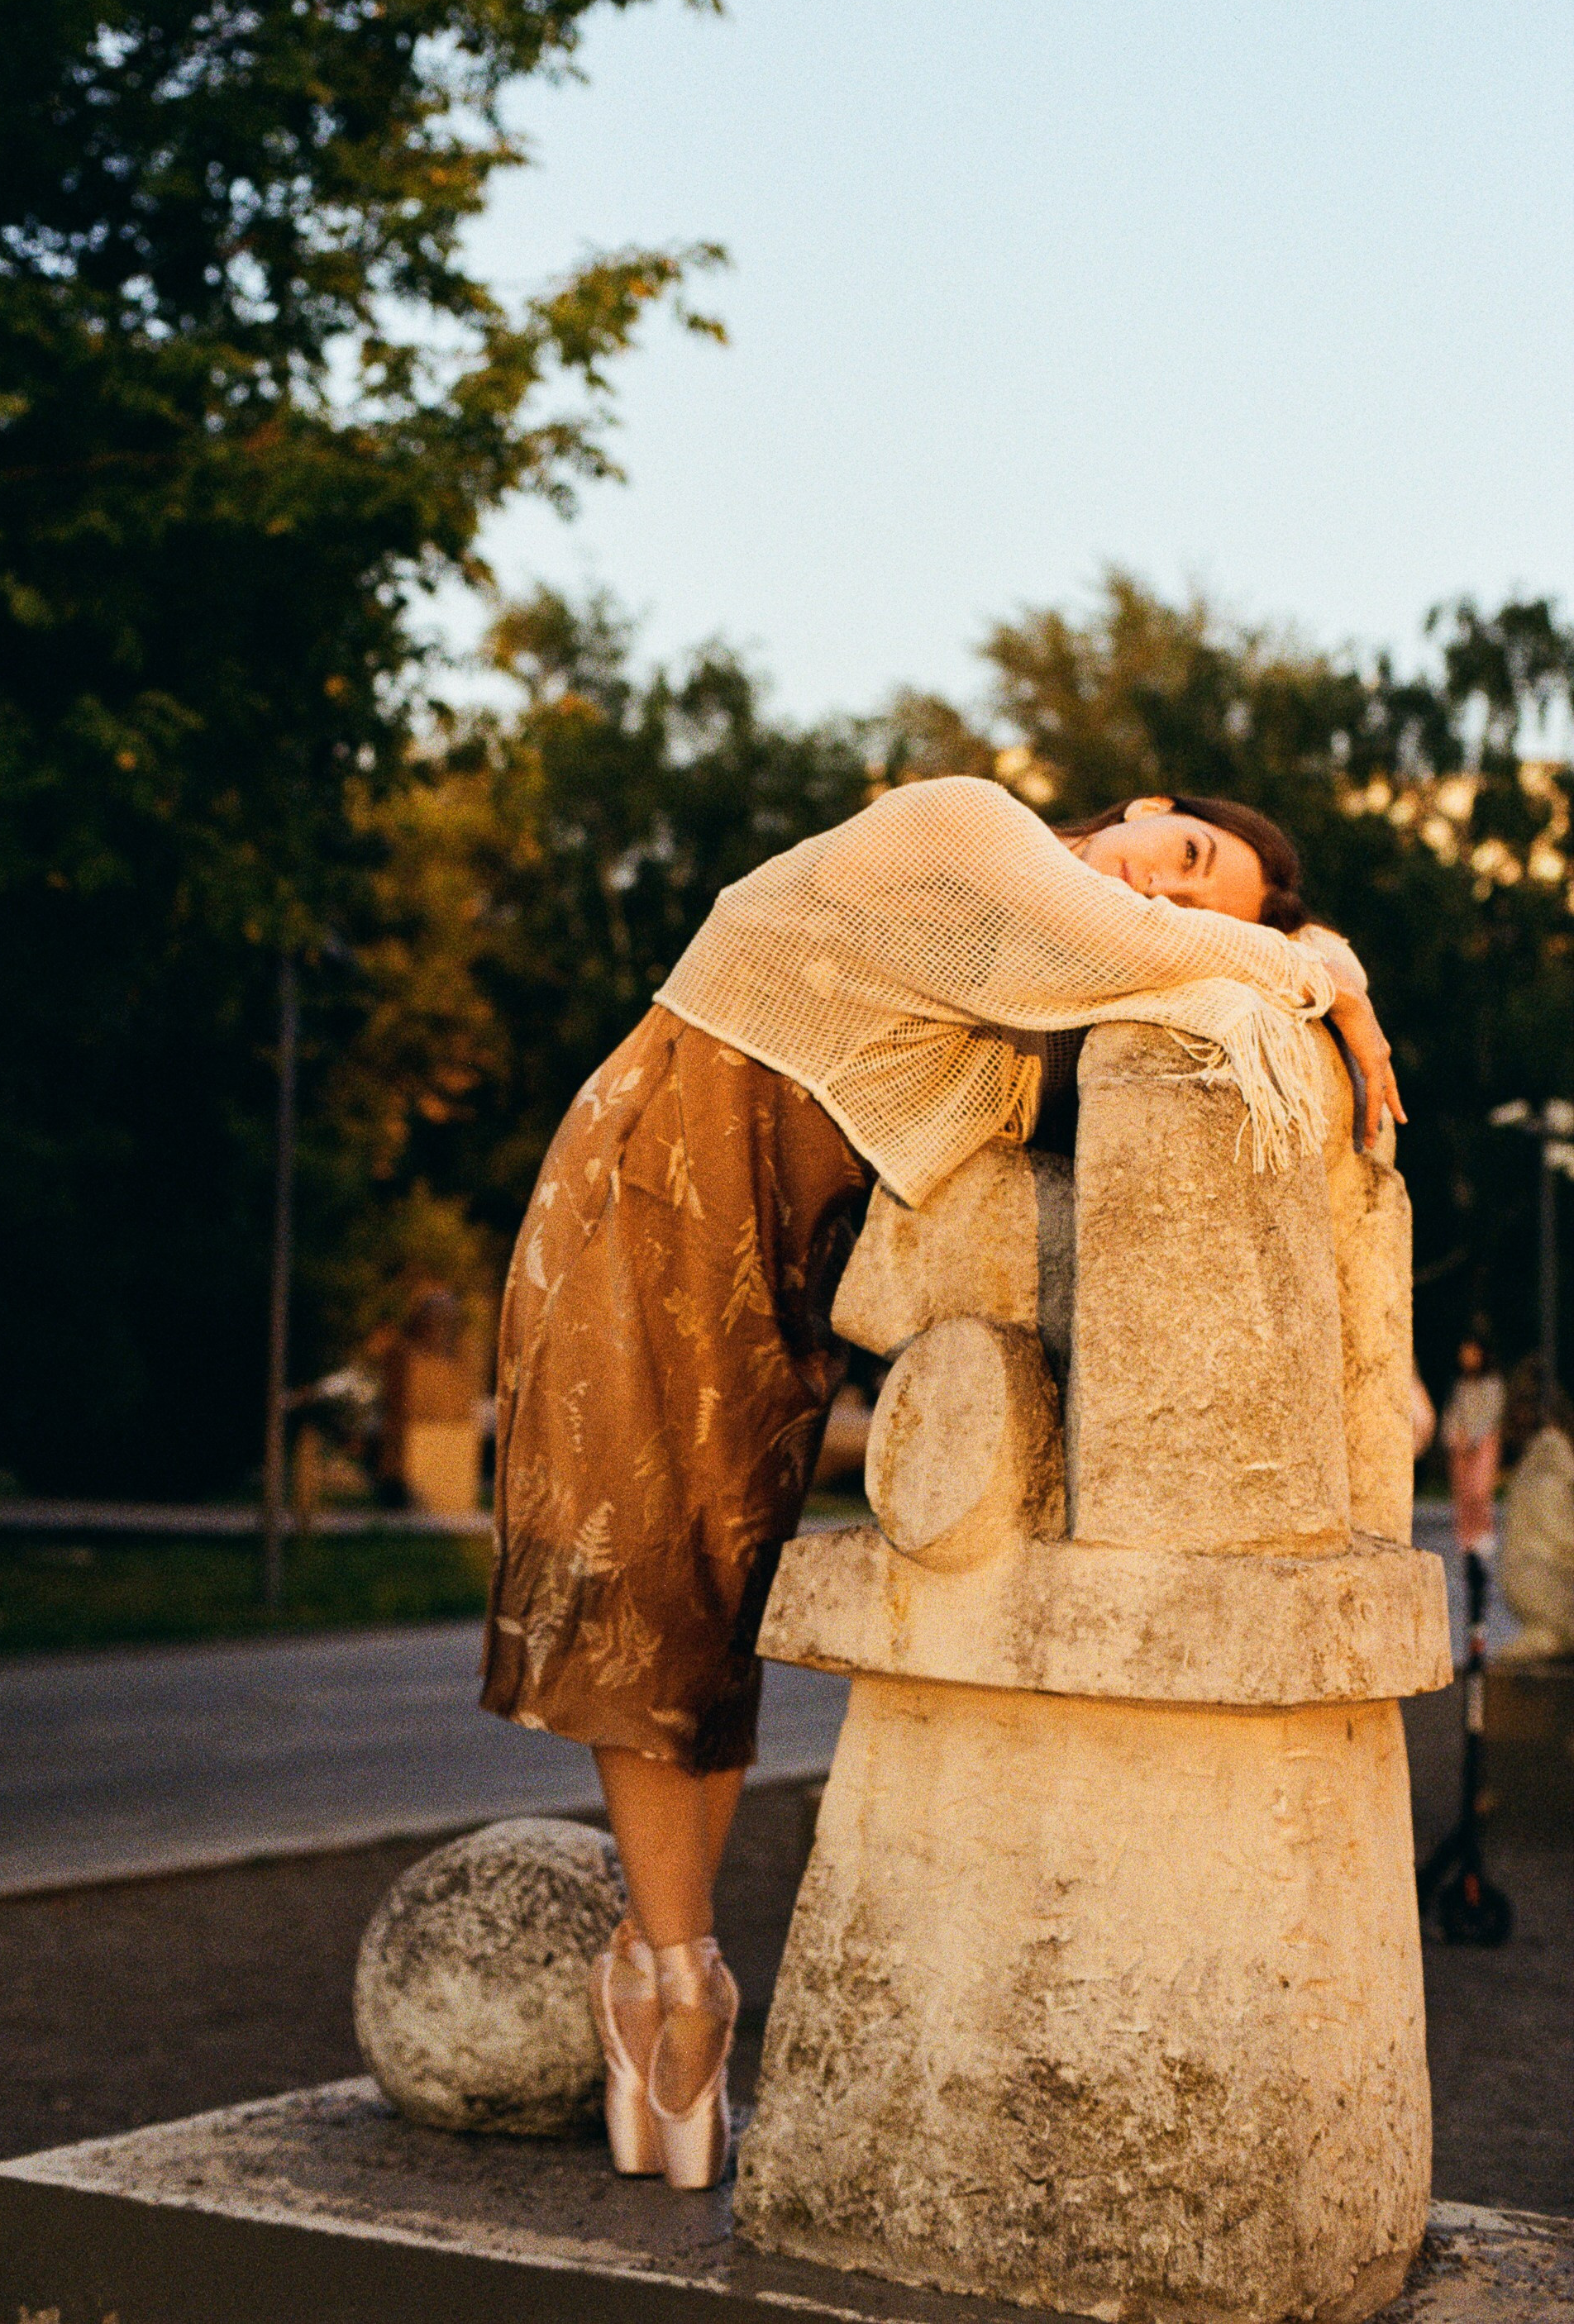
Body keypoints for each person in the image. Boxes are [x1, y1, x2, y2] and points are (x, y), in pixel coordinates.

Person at [479, 779, 1401, 2187]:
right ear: (1141, 803)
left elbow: (1158, 981)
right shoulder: (971, 829)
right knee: (646, 1589)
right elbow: (1157, 950)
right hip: (654, 1177)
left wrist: (1294, 964)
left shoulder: (1033, 987)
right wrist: (1334, 979)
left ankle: (653, 1957)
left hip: (781, 1251)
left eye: (1196, 891)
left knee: (717, 1612)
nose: (1163, 888)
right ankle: (683, 1978)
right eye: (1183, 851)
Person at [1497, 1356, 1574, 1660]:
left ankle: (1546, 1638)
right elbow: (1558, 1527)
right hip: (1538, 1578)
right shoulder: (1547, 1457)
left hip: (1536, 1579)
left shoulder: (1546, 1457)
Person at [1442, 1329, 1505, 1557]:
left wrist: (1473, 1437)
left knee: (1480, 1490)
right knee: (1463, 1492)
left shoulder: (1493, 1384)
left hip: (1483, 1443)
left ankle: (1483, 1533)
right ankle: (1466, 1539)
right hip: (1461, 1445)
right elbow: (1452, 1413)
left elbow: (1491, 1414)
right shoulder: (1460, 1384)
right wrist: (1454, 1436)